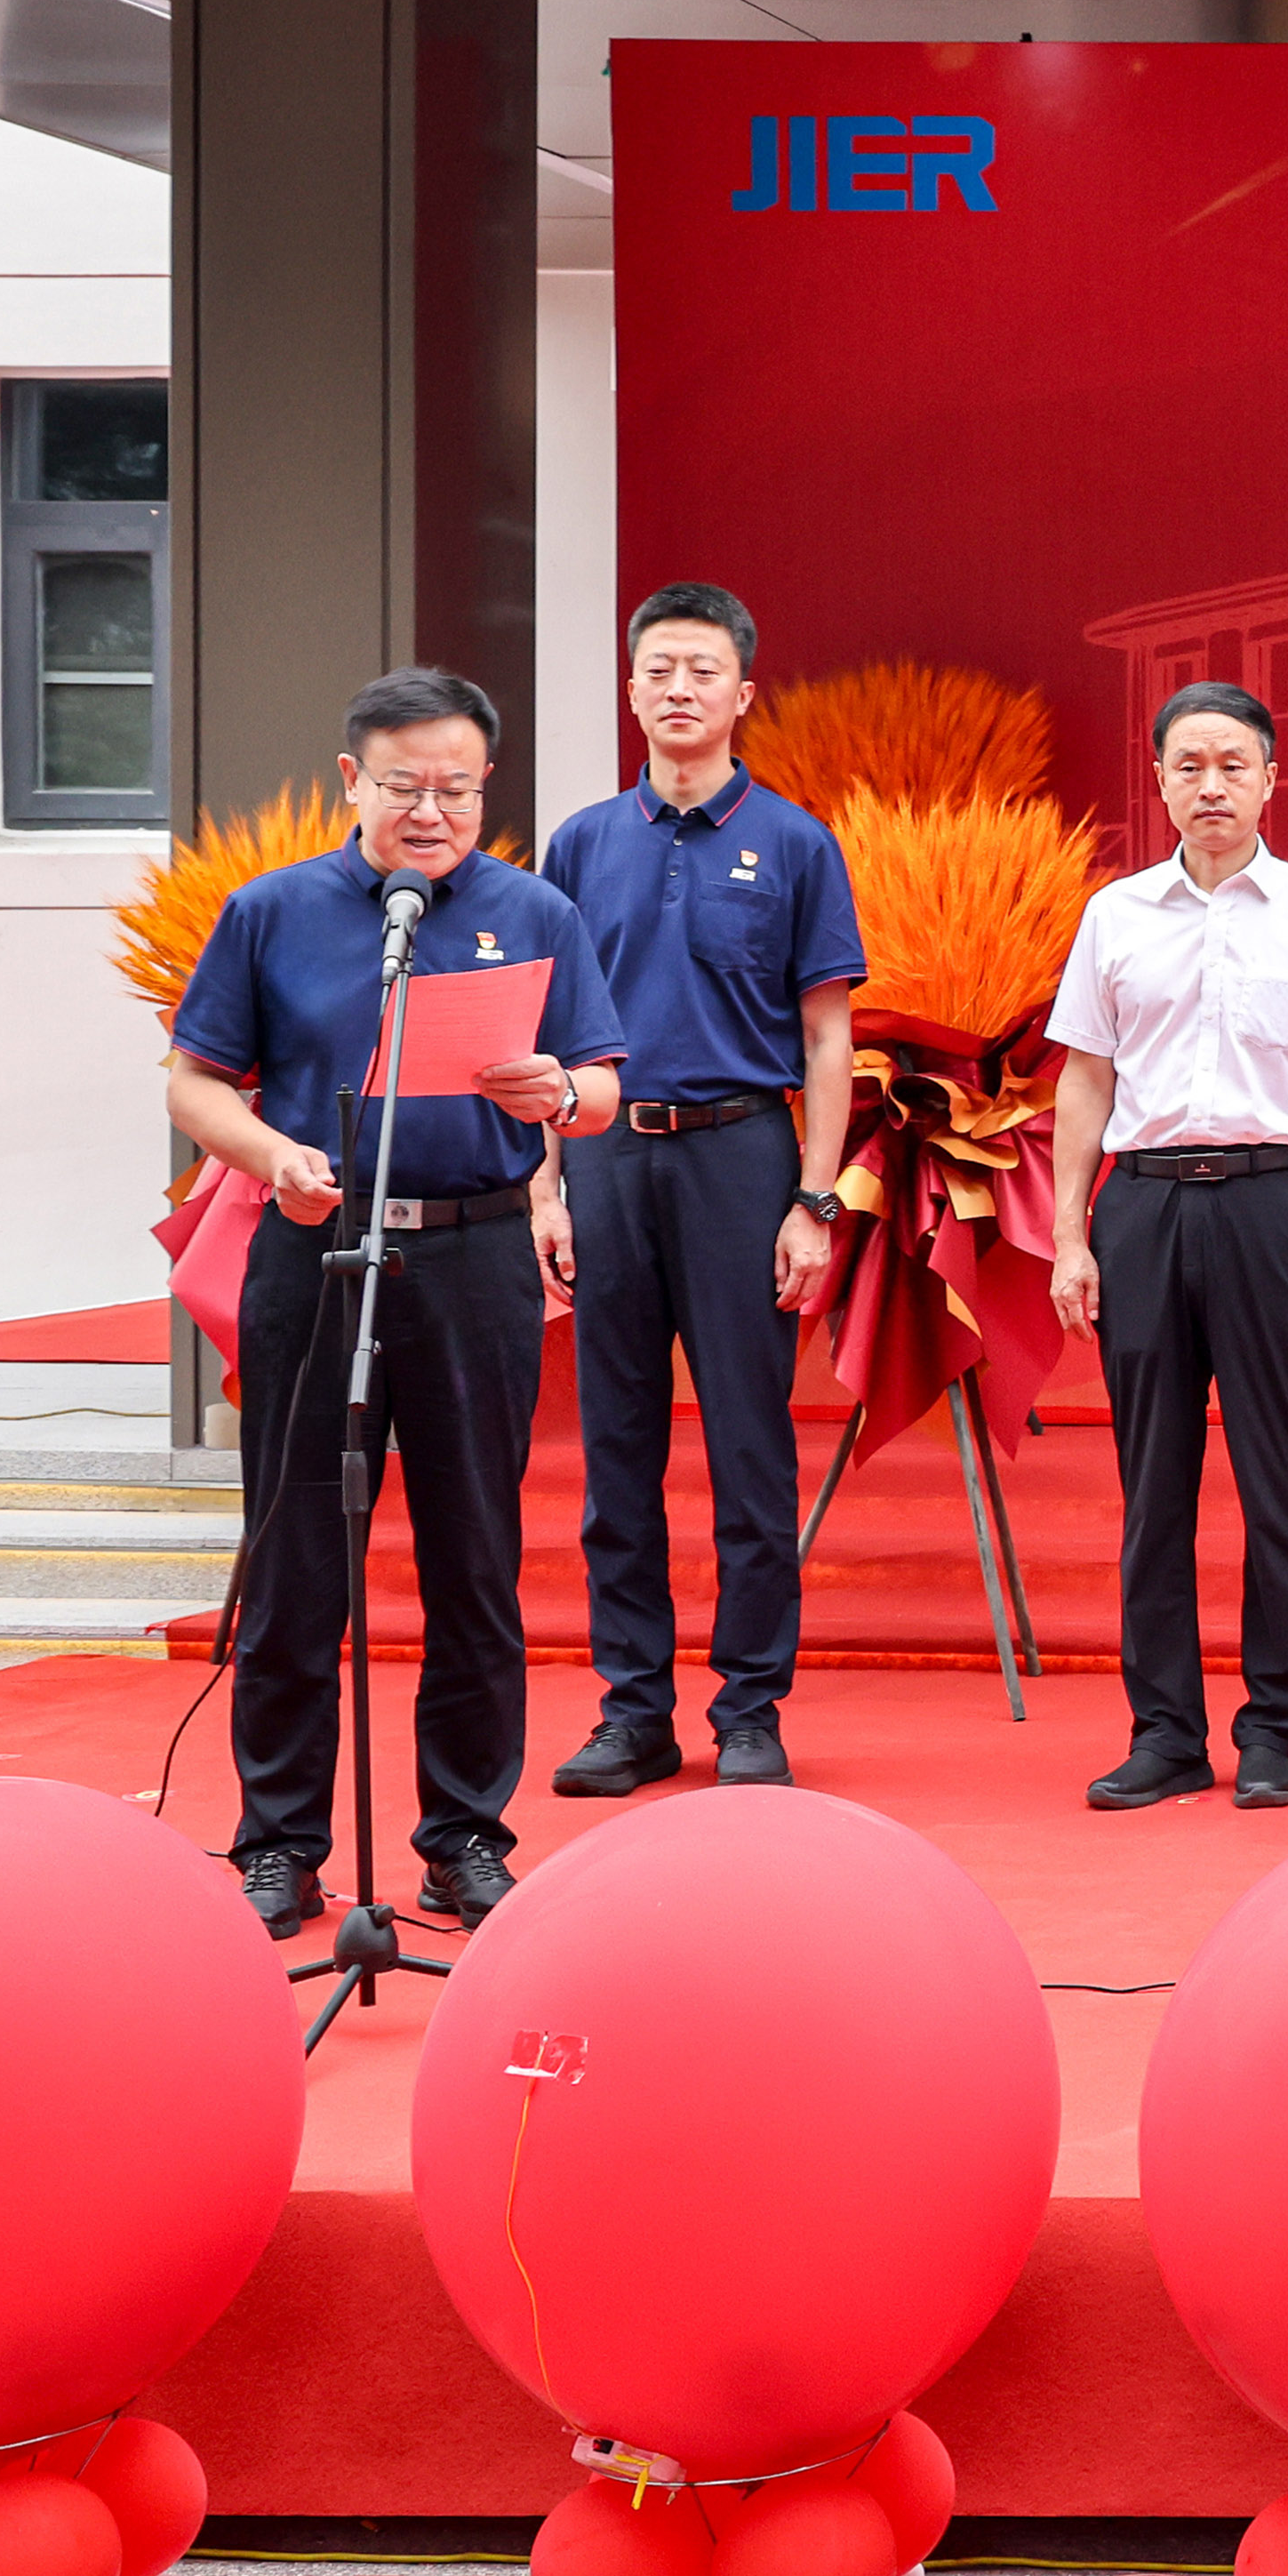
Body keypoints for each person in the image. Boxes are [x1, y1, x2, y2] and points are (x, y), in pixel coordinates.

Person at [162, 666, 623, 1939]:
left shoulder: (534, 912)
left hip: (474, 1257)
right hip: (314, 1253)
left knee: (474, 1556)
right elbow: (194, 1080)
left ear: (487, 787)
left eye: (458, 789)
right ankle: (280, 1842)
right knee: (297, 1556)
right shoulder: (272, 912)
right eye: (407, 786)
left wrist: (556, 1093)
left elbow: (602, 1088)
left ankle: (464, 1836)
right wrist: (271, 1157)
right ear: (352, 781)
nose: (433, 812)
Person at [526, 583, 866, 1796]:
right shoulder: (580, 844)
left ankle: (751, 1707)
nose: (679, 689)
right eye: (659, 669)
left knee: (749, 1449)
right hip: (607, 1156)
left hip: (740, 1158)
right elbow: (546, 1034)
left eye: (702, 670)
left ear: (742, 693)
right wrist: (546, 1189)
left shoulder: (796, 842)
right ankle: (633, 1711)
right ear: (631, 690)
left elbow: (828, 1036)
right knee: (615, 1449)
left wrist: (814, 1200)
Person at [1041, 681, 1288, 1813]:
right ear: (1158, 781)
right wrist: (1069, 1236)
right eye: (1189, 766)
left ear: (1270, 780)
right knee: (1153, 1485)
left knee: (1279, 1478)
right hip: (1142, 1211)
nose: (1211, 787)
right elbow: (1085, 1080)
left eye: (1233, 766)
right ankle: (1165, 1733)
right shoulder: (1115, 916)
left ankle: (1273, 1727)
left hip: (1273, 1205)